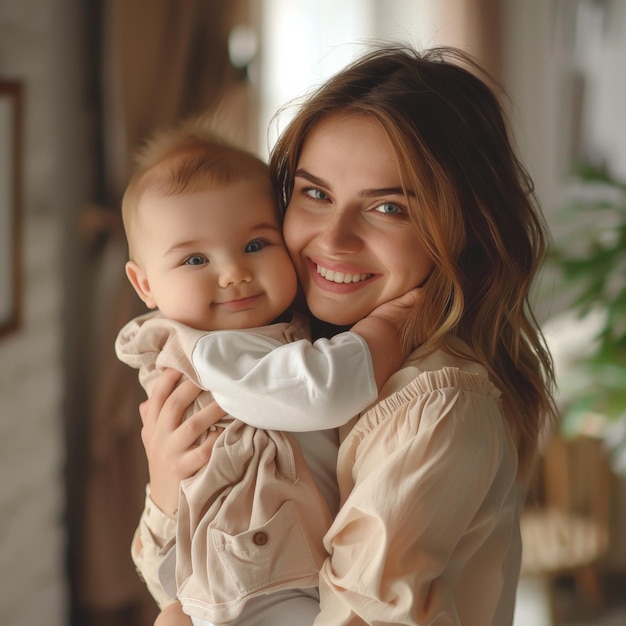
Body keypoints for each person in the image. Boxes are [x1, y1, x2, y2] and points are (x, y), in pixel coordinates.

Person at [134, 44, 557, 626]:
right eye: (315, 193)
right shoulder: (286, 346)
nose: (334, 239)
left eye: (388, 207)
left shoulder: (434, 404)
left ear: (465, 226)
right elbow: (191, 578)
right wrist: (164, 484)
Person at [116, 118, 416, 626]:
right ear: (145, 285)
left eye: (256, 245)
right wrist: (393, 323)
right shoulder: (213, 352)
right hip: (259, 586)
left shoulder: (279, 328)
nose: (233, 272)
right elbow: (320, 391)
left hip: (266, 574)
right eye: (194, 259)